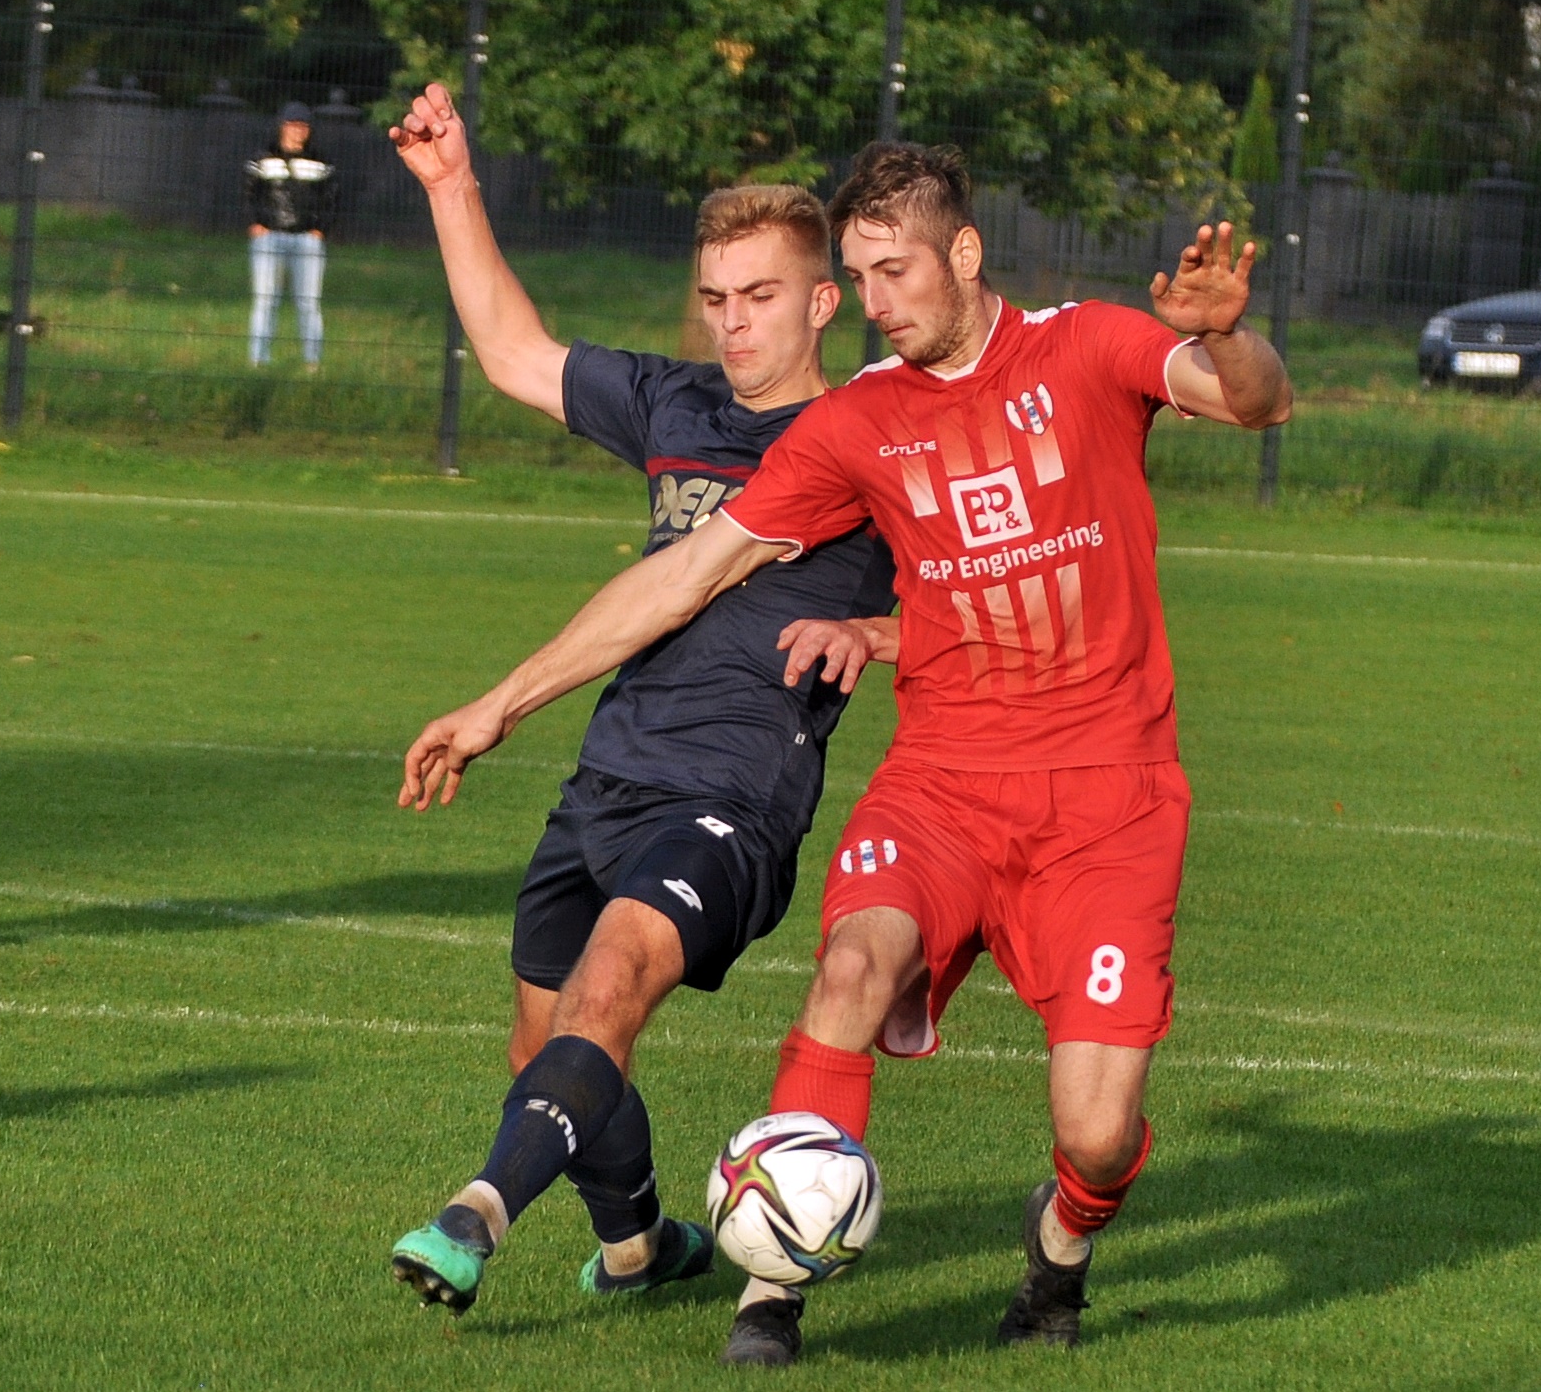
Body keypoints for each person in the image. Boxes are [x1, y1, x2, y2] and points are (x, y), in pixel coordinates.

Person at [398, 140, 1291, 1366]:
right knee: (847, 973)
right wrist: (504, 700)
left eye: (891, 271)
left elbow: (1251, 400)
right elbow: (689, 571)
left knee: (1092, 1135)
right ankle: (768, 1293)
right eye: (859, 276)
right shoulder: (860, 420)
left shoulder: (1084, 346)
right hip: (939, 786)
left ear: (961, 253)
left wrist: (1229, 336)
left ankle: (1061, 1250)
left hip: (1108, 796)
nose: (874, 302)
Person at [383, 82, 898, 1317]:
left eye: (760, 297)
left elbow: (989, 576)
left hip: (730, 793)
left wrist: (878, 626)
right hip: (609, 770)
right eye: (715, 298)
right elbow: (511, 350)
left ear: (823, 301)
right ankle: (638, 1246)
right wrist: (451, 185)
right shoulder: (677, 404)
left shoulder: (880, 436)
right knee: (545, 1050)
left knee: (607, 987)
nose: (732, 324)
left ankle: (472, 1214)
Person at [243, 101, 335, 368]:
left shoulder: (321, 162)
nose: (299, 131)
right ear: (282, 127)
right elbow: (248, 194)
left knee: (308, 303)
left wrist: (321, 230)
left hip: (308, 239)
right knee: (265, 301)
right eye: (293, 125)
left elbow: (331, 198)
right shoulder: (262, 159)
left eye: (304, 126)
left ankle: (312, 362)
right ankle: (258, 359)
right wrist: (254, 224)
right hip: (268, 237)